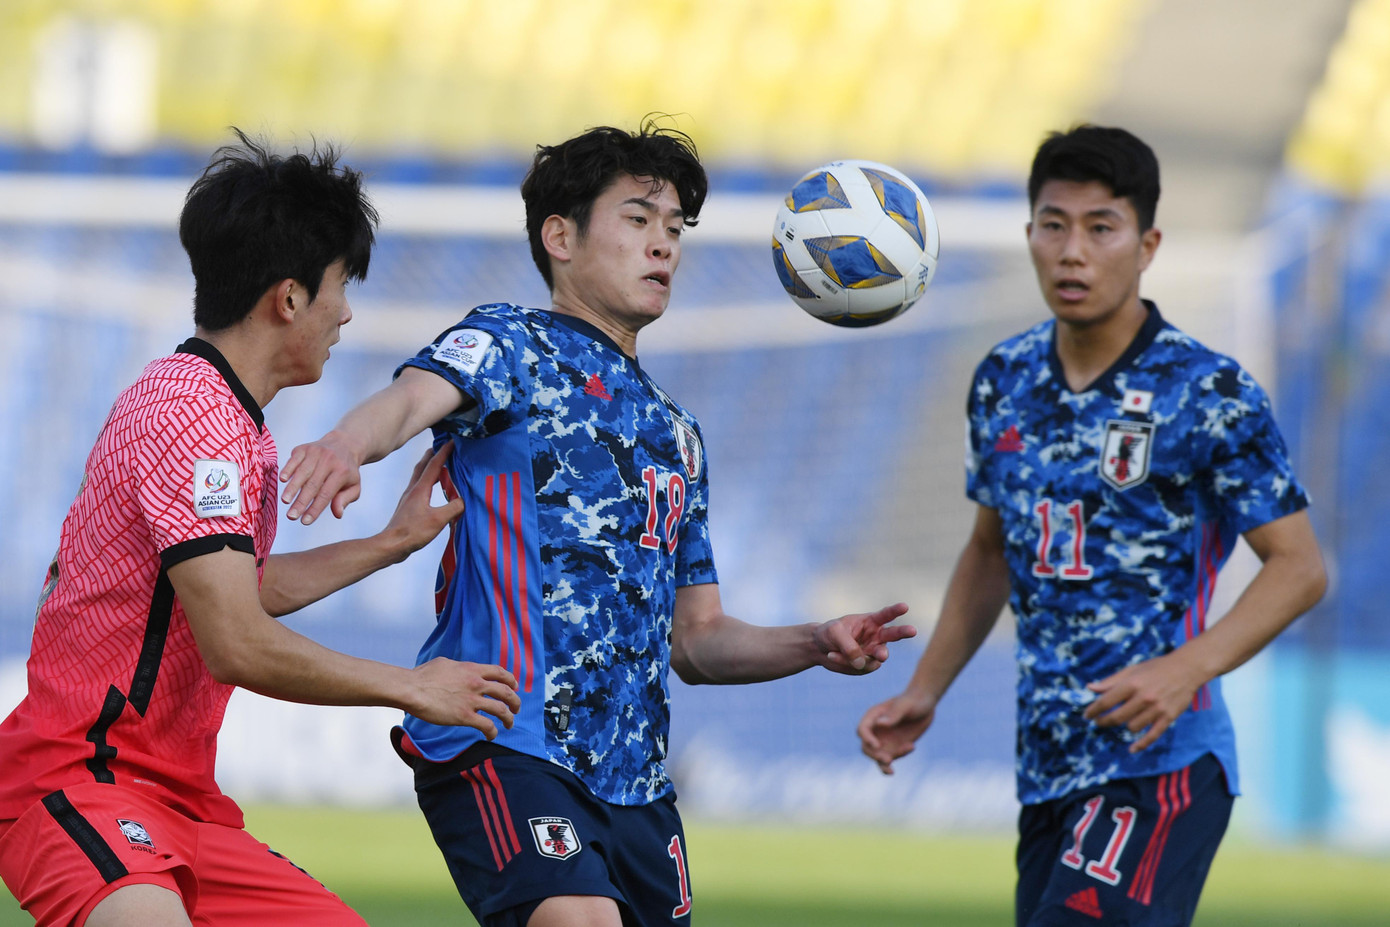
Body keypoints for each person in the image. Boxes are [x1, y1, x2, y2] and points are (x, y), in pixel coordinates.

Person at [278, 119, 917, 926]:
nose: (665, 246)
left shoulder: (677, 432)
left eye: (676, 229)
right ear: (561, 237)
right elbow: (411, 397)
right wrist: (344, 445)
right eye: (639, 220)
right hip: (507, 739)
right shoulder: (510, 343)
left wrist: (815, 641)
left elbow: (698, 639)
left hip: (639, 790)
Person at [0, 131, 521, 927]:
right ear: (288, 297)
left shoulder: (231, 421)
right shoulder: (192, 415)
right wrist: (411, 686)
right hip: (81, 779)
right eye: (341, 286)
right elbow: (235, 640)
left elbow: (238, 590)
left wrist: (387, 543)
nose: (347, 311)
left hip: (181, 805)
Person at [857, 124, 1327, 926]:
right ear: (1031, 233)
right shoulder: (1003, 378)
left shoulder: (1206, 388)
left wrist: (1185, 670)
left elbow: (1298, 566)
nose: (1072, 250)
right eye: (1053, 224)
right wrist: (925, 688)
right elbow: (989, 550)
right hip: (1046, 767)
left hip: (1162, 764)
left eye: (1100, 227)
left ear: (1146, 245)